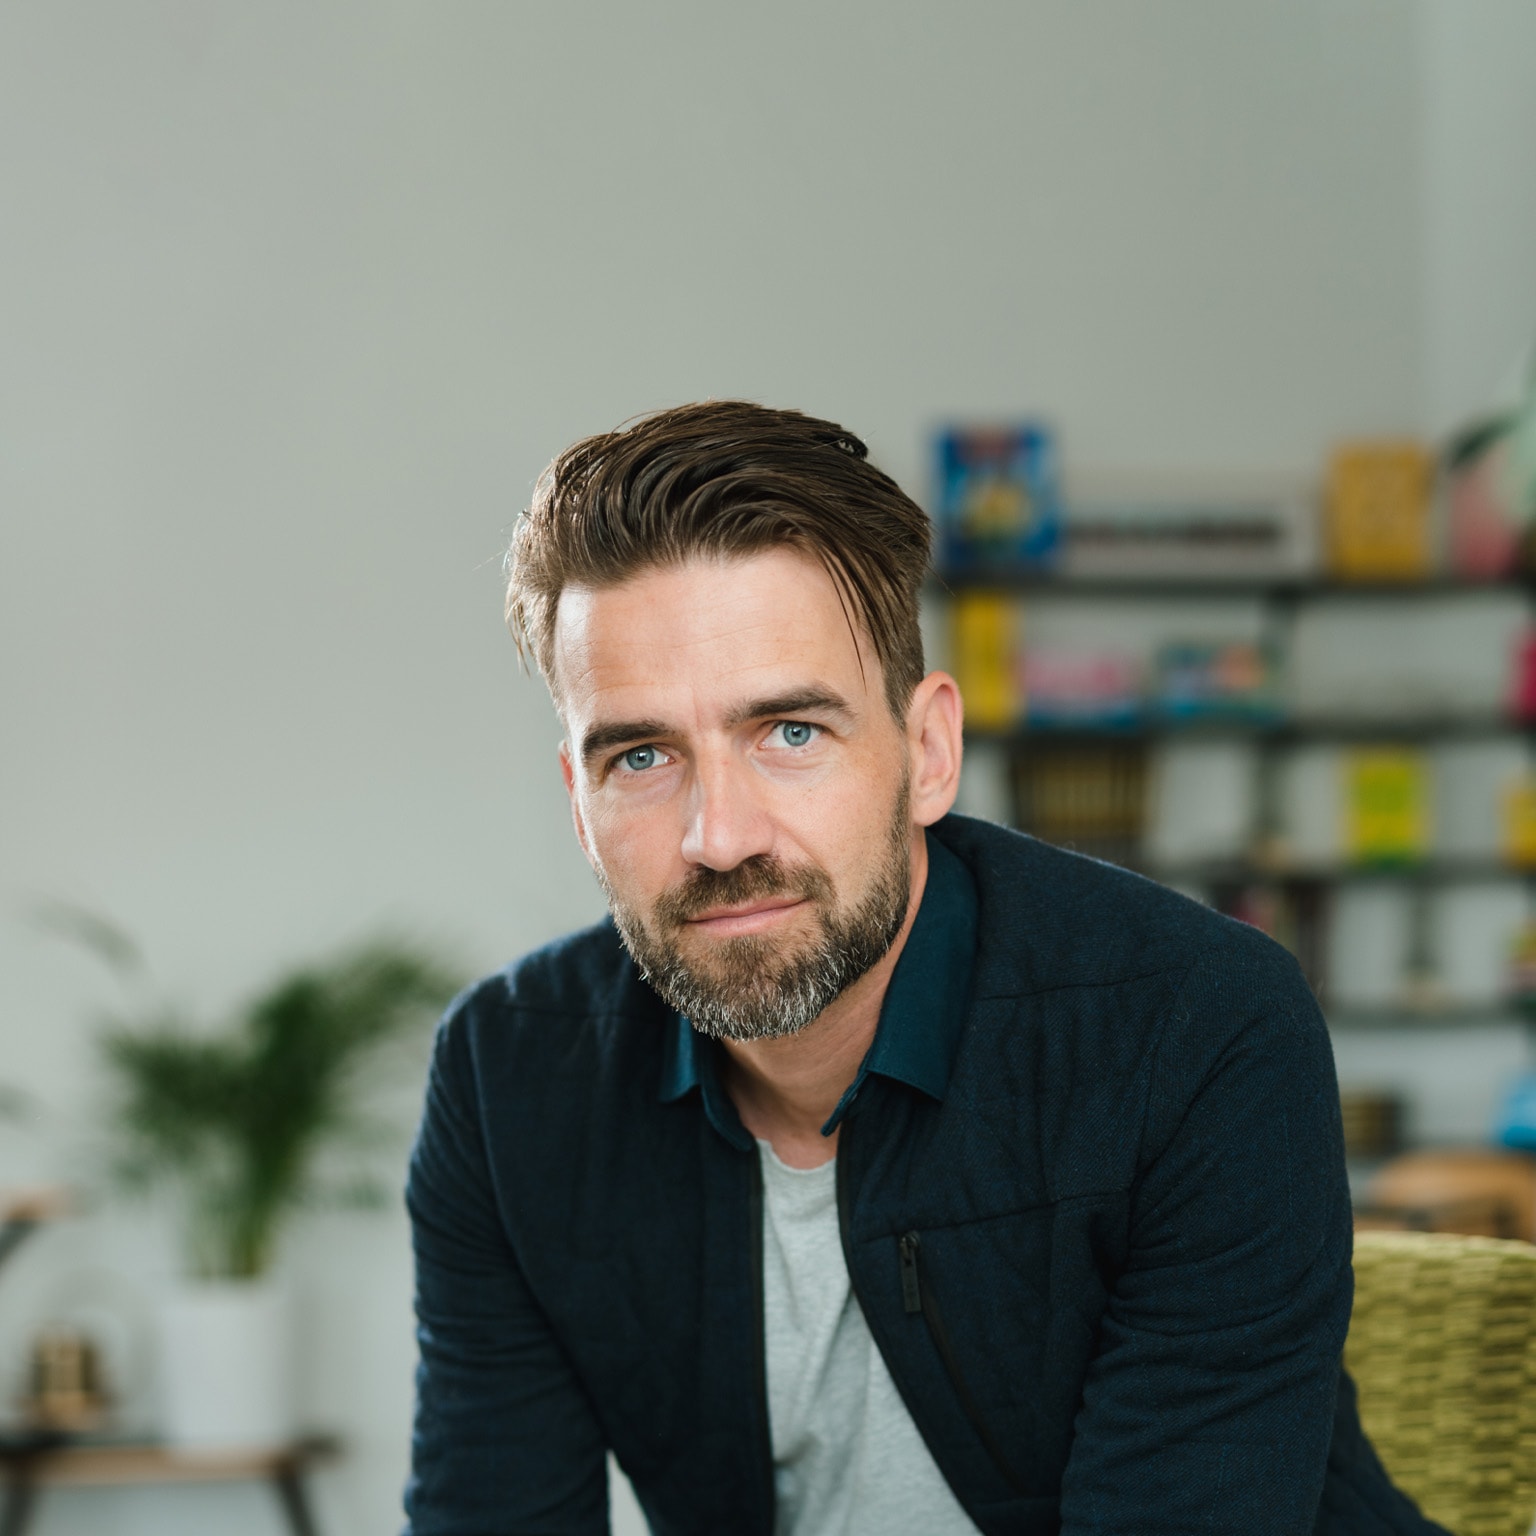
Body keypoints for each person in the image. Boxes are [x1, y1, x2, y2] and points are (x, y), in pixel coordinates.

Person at [404, 401, 1441, 1535]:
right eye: (642, 756)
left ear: (929, 753)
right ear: (580, 804)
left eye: (791, 732)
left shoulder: (1198, 1027)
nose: (720, 835)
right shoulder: (510, 1080)